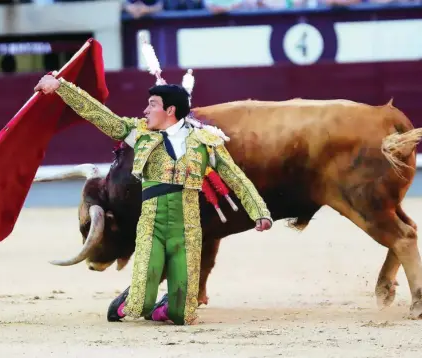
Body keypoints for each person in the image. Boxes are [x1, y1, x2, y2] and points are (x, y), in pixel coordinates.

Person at [34, 74, 273, 325]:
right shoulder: (139, 135)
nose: (145, 110)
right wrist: (62, 88)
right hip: (152, 225)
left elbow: (235, 177)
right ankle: (131, 303)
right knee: (140, 304)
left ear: (170, 110)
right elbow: (99, 115)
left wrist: (259, 211)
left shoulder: (206, 141)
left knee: (183, 315)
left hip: (187, 228)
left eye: (152, 104)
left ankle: (170, 305)